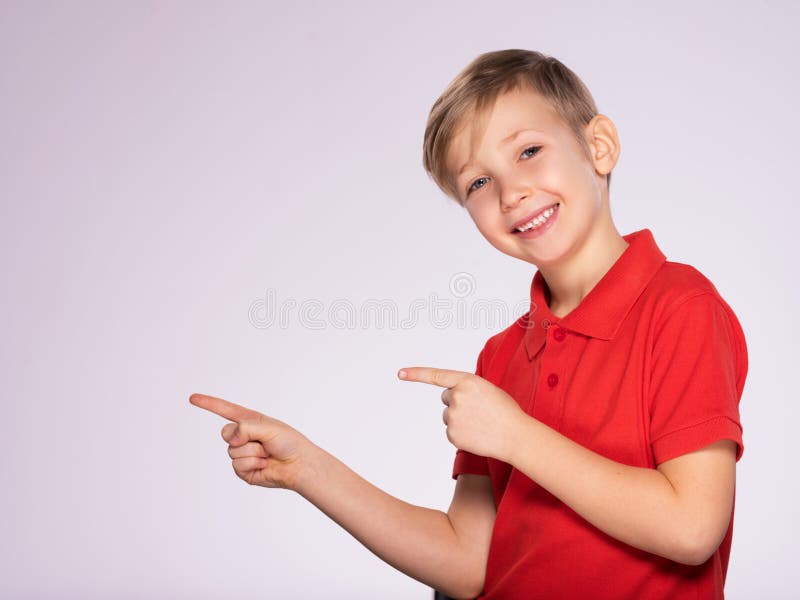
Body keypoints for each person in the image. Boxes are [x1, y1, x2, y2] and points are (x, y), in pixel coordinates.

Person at [190, 49, 747, 599]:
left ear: (598, 146)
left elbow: (691, 528)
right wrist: (307, 469)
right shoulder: (501, 357)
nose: (511, 192)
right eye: (478, 184)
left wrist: (516, 437)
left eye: (529, 150)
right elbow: (467, 561)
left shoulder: (681, 308)